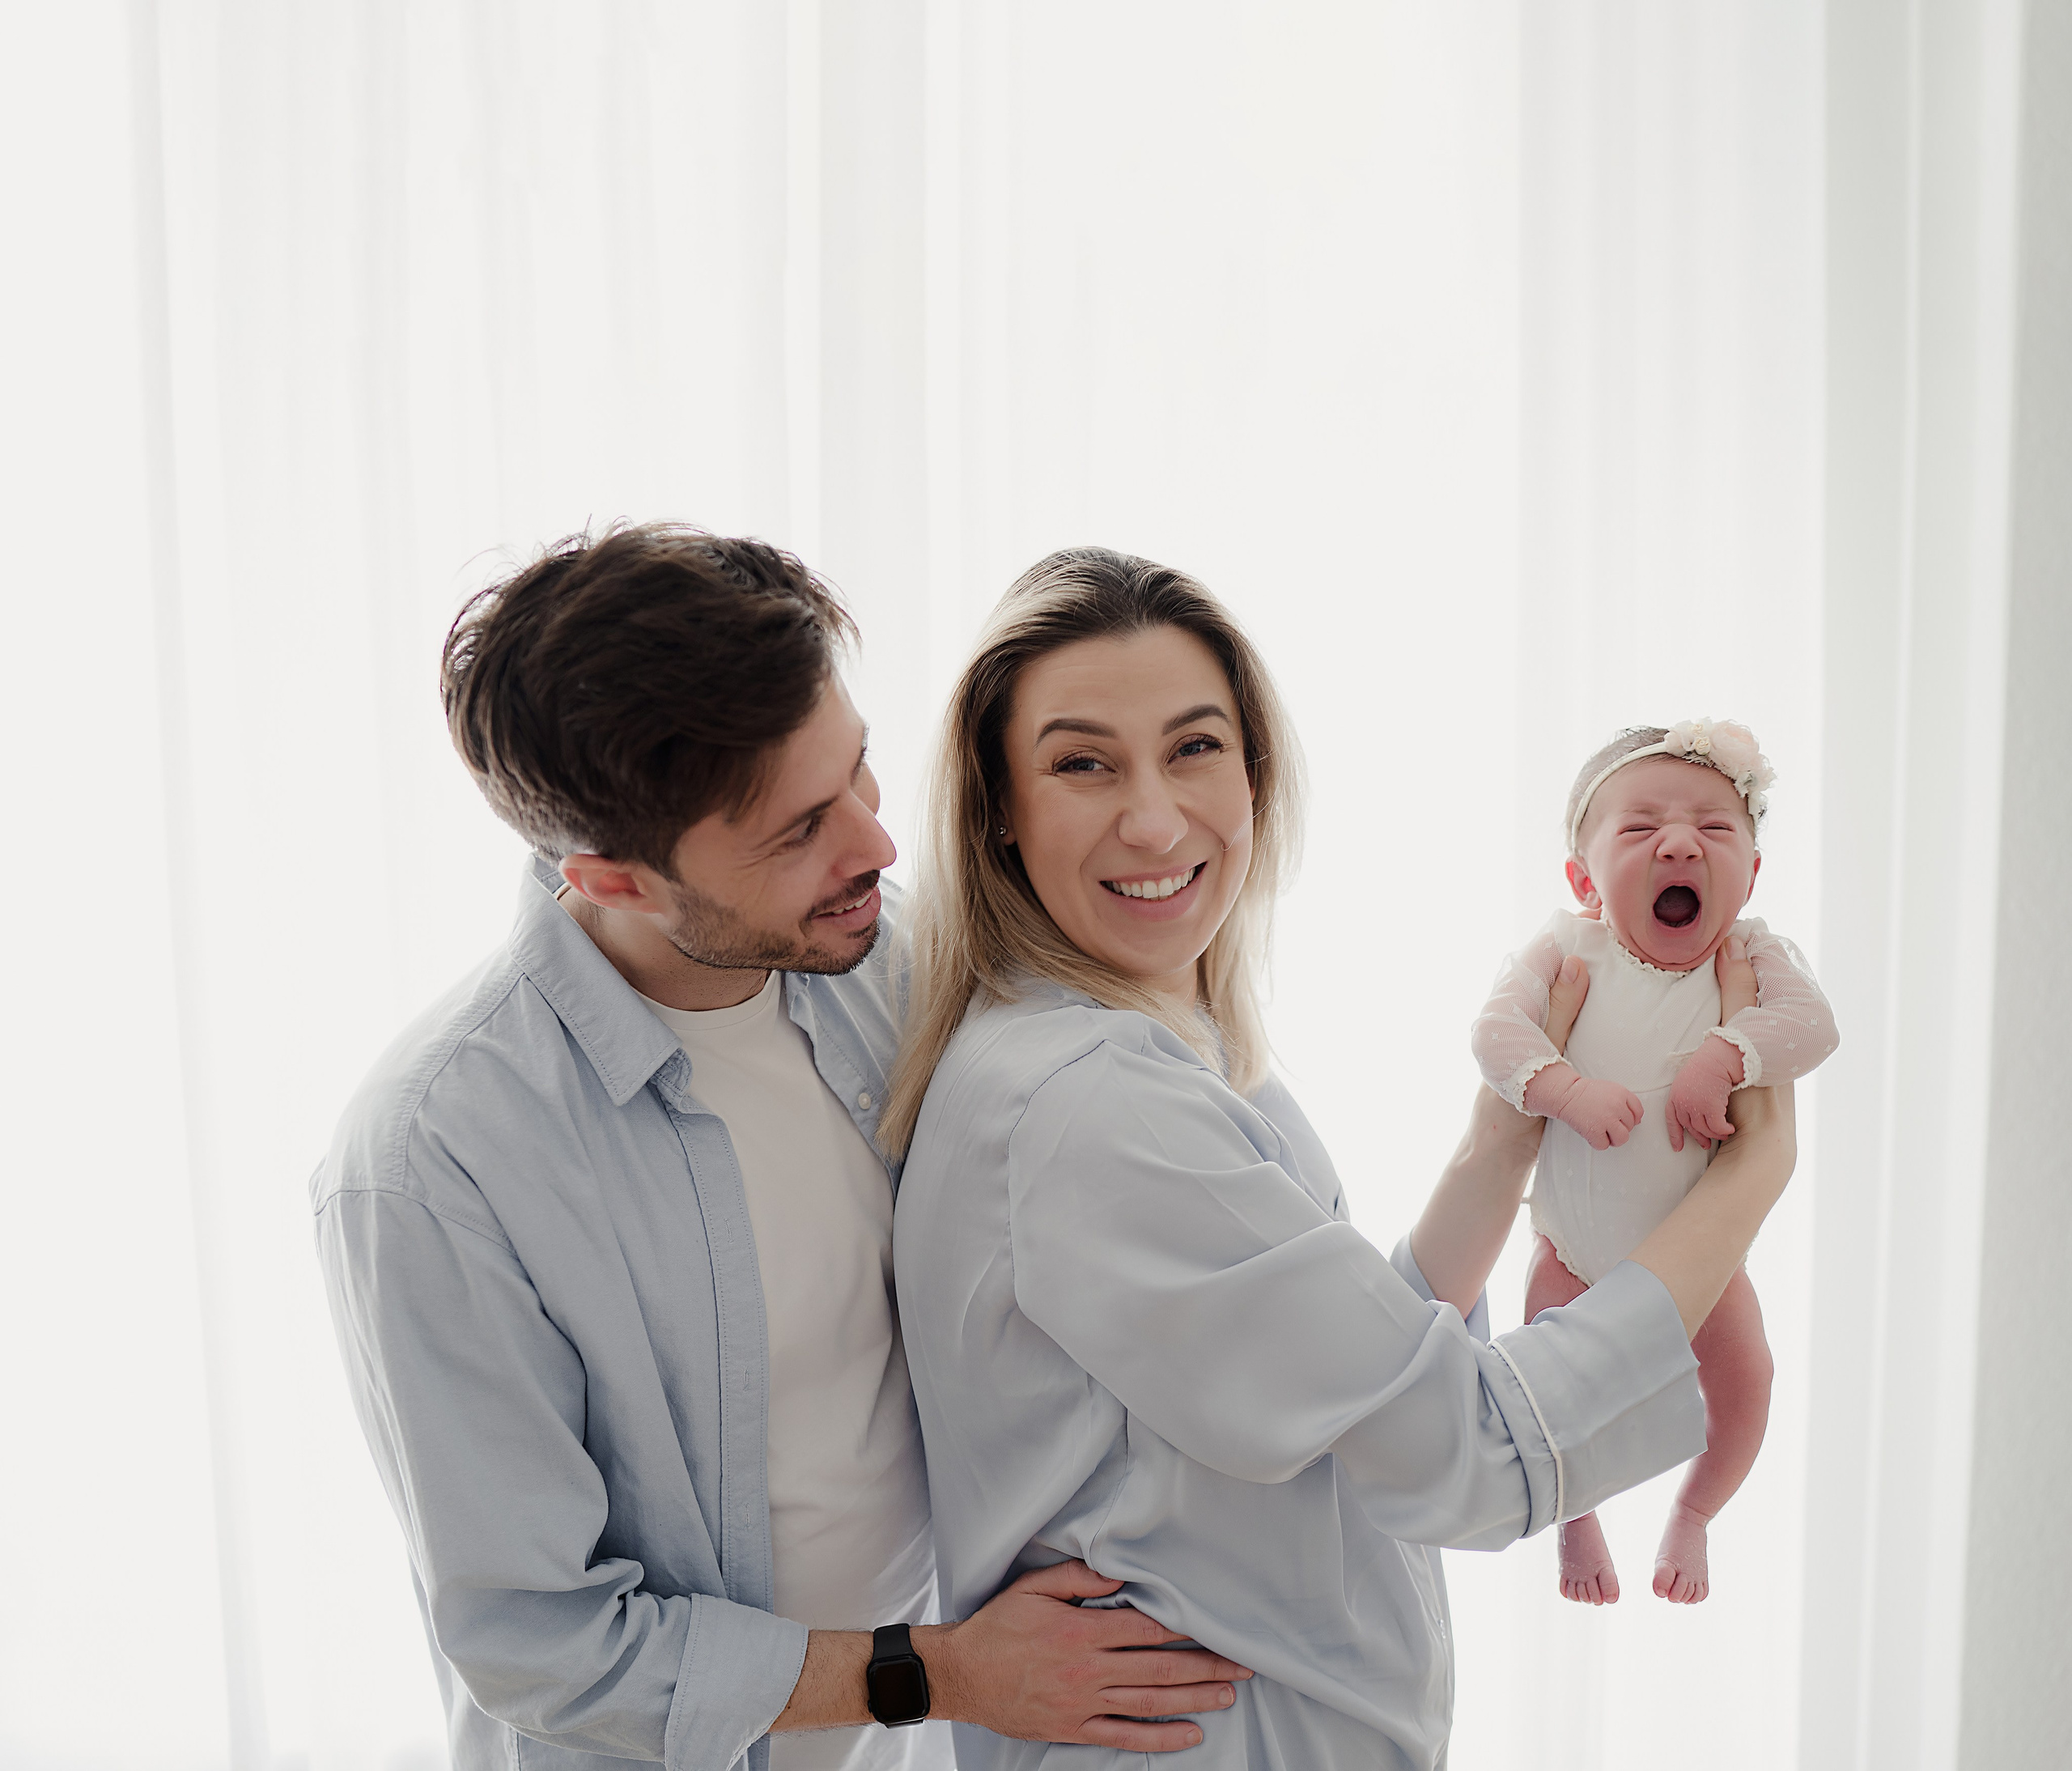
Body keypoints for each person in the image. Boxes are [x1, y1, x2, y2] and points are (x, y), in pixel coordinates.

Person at [311, 525, 1250, 1771]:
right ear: (610, 877)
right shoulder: (433, 1167)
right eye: (801, 828)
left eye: (859, 774)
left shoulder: (899, 963)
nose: (878, 845)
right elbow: (545, 1646)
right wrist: (946, 1671)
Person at [881, 546, 1799, 1771]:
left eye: (1196, 747)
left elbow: (1340, 1376)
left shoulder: (1160, 1046)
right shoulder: (1093, 1106)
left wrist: (1498, 1145)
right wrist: (1743, 1193)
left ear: (1256, 773)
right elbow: (1462, 1451)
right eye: (1082, 763)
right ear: (999, 804)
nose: (1154, 818)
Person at [1471, 719, 1838, 1603]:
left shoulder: (1750, 956)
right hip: (1571, 1255)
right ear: (1582, 879)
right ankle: (1576, 1521)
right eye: (1639, 829)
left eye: (1715, 828)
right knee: (1547, 1401)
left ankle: (1695, 1514)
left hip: (1705, 1265)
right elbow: (1492, 1032)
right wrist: (1560, 1088)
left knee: (1745, 1386)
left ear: (1749, 877)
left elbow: (1815, 1027)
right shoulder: (1567, 948)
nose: (1679, 841)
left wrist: (1729, 1053)